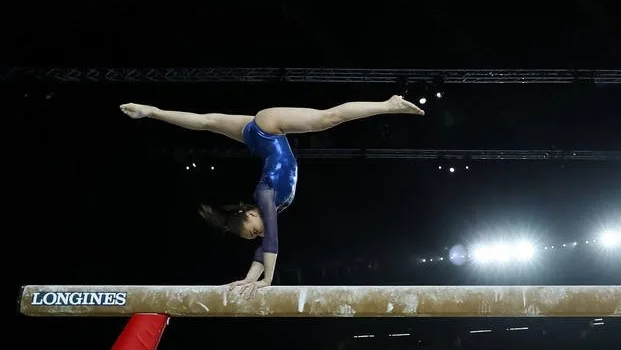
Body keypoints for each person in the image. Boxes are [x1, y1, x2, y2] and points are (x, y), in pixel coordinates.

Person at [120, 96, 424, 298]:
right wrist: (249, 278)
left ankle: (389, 104)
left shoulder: (265, 195)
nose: (260, 232)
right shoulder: (269, 207)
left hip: (268, 127)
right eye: (255, 235)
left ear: (250, 213)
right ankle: (153, 111)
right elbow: (264, 246)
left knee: (327, 118)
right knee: (206, 122)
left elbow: (272, 242)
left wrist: (266, 281)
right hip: (256, 135)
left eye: (255, 230)